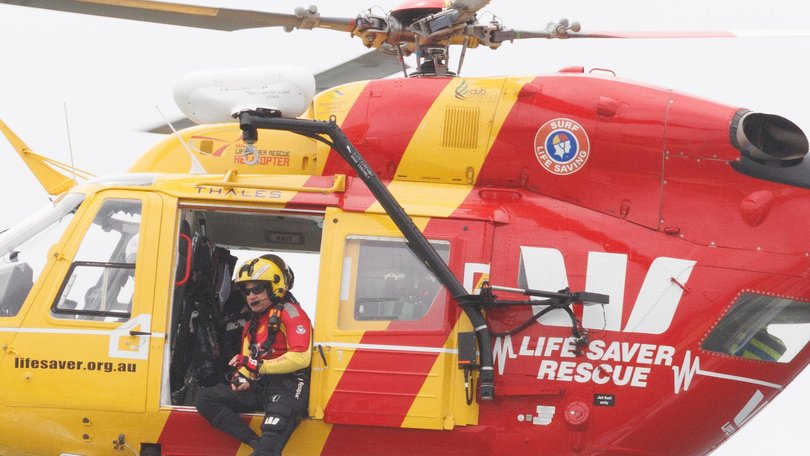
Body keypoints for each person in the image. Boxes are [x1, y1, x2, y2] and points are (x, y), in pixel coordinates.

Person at [196, 254, 312, 455]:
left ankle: (263, 448)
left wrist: (258, 367)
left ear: (274, 287)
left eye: (257, 289)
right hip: (262, 386)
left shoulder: (292, 313)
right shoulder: (251, 325)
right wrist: (242, 378)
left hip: (289, 386)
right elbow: (247, 365)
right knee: (204, 398)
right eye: (246, 291)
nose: (251, 296)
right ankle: (255, 443)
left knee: (269, 448)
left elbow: (301, 357)